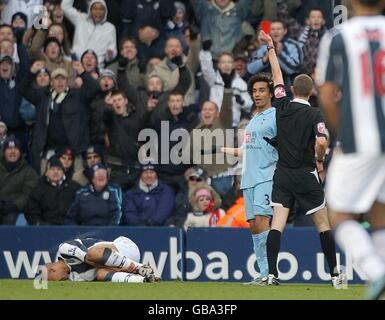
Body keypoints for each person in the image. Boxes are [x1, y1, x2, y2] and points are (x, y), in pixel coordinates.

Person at [257, 30, 342, 287]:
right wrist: (319, 160)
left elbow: (277, 75)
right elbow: (321, 142)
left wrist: (271, 47)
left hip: (282, 174)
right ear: (311, 91)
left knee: (277, 225)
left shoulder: (282, 105)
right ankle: (336, 276)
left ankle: (272, 274)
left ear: (292, 90)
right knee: (323, 225)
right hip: (306, 174)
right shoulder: (315, 114)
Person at [316, 0, 385, 300]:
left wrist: (343, 134)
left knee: (340, 216)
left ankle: (375, 271)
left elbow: (328, 94)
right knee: (381, 216)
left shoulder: (339, 37)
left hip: (360, 139)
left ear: (351, 3)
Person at [221, 72, 277, 284]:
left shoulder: (275, 116)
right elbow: (246, 150)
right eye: (254, 91)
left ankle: (270, 273)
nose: (257, 94)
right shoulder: (253, 120)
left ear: (270, 93)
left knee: (263, 221)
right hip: (249, 178)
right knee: (254, 225)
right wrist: (221, 149)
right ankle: (264, 273)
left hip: (266, 176)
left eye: (262, 90)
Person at [43, 236, 160, 283]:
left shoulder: (64, 249)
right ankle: (144, 280)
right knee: (100, 274)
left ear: (52, 270)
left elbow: (90, 257)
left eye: (54, 279)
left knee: (92, 254)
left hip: (124, 247)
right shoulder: (75, 278)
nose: (60, 281)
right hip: (119, 266)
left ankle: (139, 268)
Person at [25, 155, 80, 225]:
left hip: (70, 228)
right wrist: (41, 224)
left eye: (59, 169)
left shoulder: (74, 187)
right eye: (52, 169)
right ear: (46, 172)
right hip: (45, 230)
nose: (56, 172)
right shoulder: (38, 189)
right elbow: (31, 214)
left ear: (63, 172)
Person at [61, 0, 117, 66]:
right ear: (90, 10)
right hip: (76, 62)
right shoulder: (81, 19)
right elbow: (65, 7)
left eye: (101, 9)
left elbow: (112, 49)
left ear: (105, 11)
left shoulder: (110, 28)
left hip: (96, 66)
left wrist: (111, 54)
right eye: (95, 9)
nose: (98, 12)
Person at [0, 136, 38, 224]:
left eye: (16, 148)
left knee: (20, 221)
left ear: (20, 152)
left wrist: (15, 205)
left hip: (17, 210)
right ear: (4, 152)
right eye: (9, 149)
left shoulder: (29, 172)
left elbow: (28, 194)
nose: (13, 152)